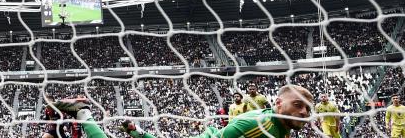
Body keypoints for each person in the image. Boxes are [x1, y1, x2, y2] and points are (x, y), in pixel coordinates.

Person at [119, 85, 314, 138]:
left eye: (308, 108)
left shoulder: (283, 128)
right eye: (298, 104)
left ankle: (136, 130)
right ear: (278, 103)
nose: (305, 112)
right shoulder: (257, 124)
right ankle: (137, 131)